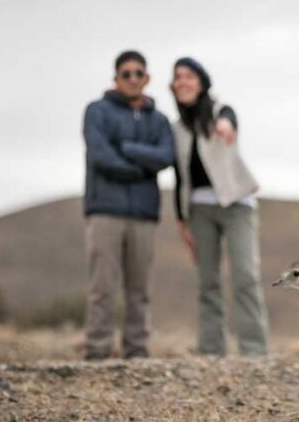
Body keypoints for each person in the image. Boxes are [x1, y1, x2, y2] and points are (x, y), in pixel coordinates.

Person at [170, 57, 269, 356]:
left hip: (237, 204)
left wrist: (226, 125)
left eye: (189, 76)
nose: (183, 81)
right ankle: (211, 350)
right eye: (178, 77)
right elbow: (179, 175)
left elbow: (229, 119)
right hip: (199, 208)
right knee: (207, 282)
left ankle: (254, 351)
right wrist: (181, 219)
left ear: (201, 81)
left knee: (245, 275)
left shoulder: (219, 112)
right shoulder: (177, 129)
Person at [82, 50, 174, 360]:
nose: (133, 79)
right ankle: (97, 352)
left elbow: (165, 157)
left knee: (139, 290)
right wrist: (140, 167)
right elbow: (100, 155)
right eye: (126, 74)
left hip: (144, 215)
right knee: (102, 288)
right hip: (105, 211)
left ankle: (137, 352)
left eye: (139, 73)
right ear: (116, 78)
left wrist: (128, 149)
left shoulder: (159, 120)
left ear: (147, 78)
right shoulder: (97, 111)